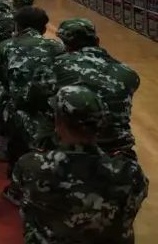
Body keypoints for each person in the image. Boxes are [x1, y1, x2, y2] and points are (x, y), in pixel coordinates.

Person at [14, 86, 148, 244]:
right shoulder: (130, 173)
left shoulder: (31, 166)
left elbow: (24, 202)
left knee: (30, 213)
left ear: (58, 123)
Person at [30, 19, 140, 157]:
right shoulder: (129, 74)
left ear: (65, 44)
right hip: (117, 147)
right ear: (97, 41)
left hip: (70, 146)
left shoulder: (55, 65)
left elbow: (33, 99)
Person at [0, 6, 65, 204]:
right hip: (49, 110)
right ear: (43, 28)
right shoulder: (56, 47)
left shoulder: (6, 46)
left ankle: (17, 190)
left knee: (17, 149)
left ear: (17, 26)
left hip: (17, 110)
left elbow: (0, 77)